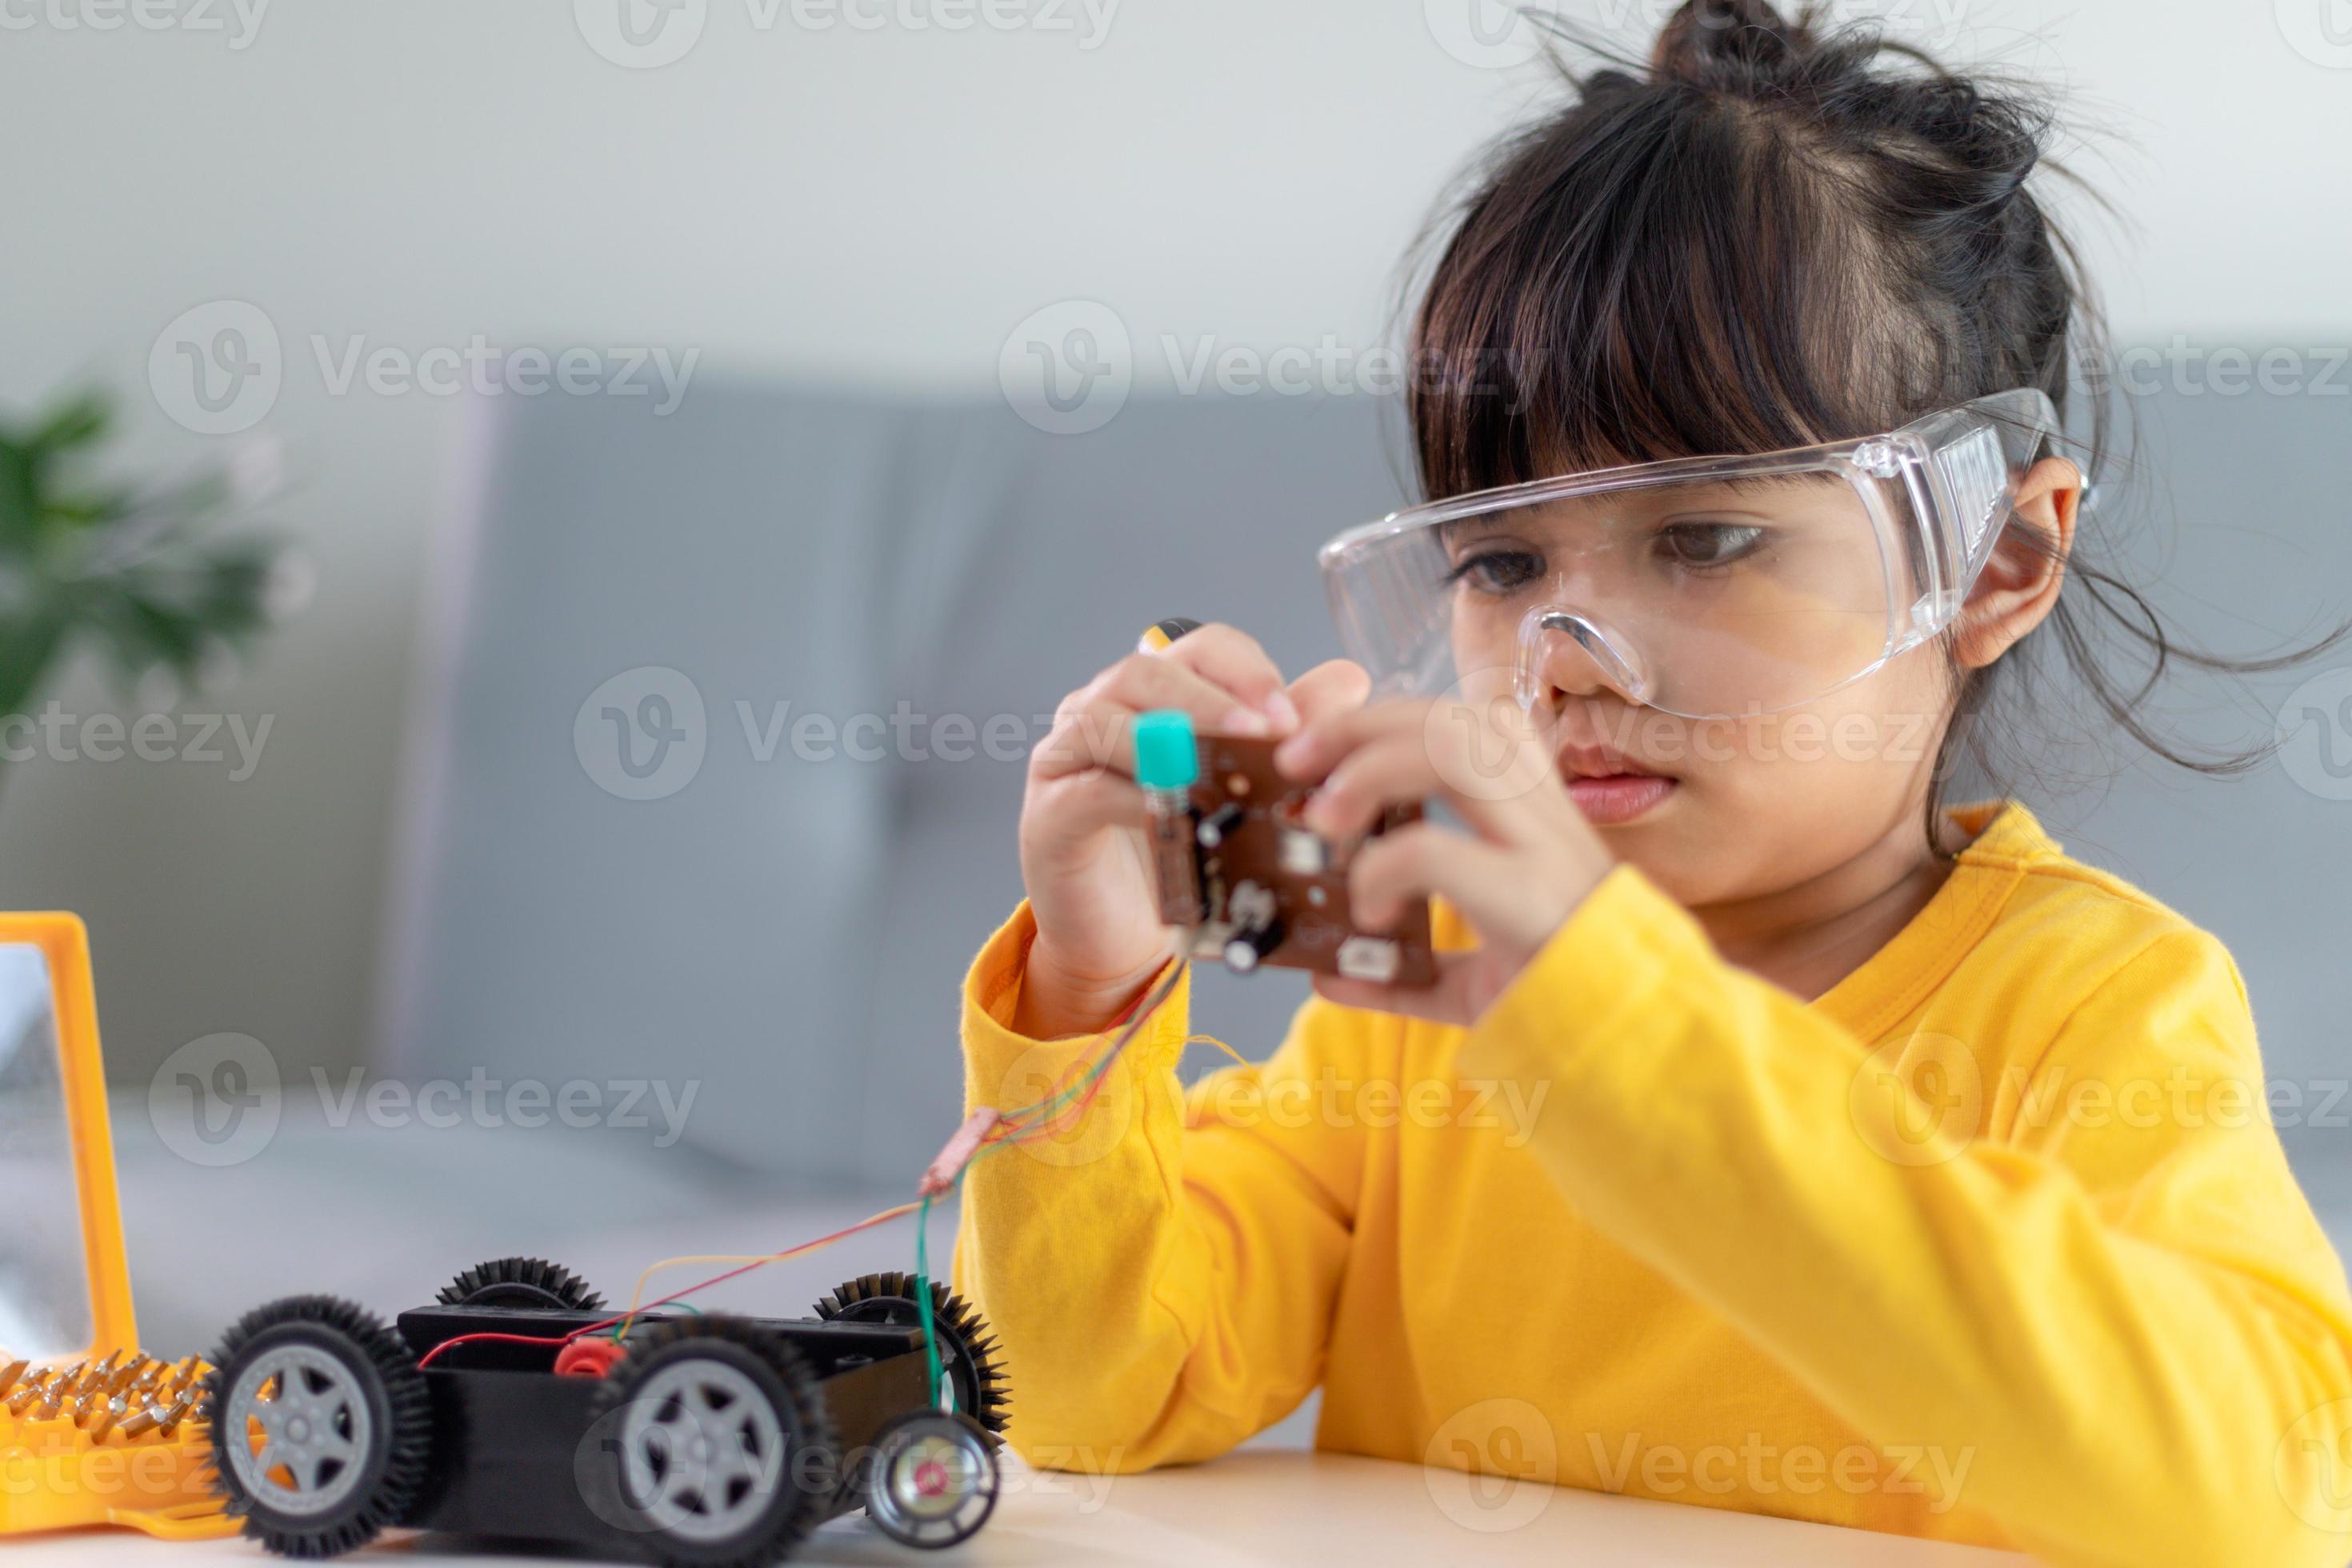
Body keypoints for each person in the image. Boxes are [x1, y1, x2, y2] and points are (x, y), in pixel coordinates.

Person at [951, 3, 2352, 1561]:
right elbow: (1084, 1394)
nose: (1566, 662)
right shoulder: (1425, 1002)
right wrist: (1086, 987)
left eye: (1707, 536)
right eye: (1496, 560)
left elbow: (2260, 1501)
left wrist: (1610, 1016)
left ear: (1995, 559)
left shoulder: (2095, 1005)